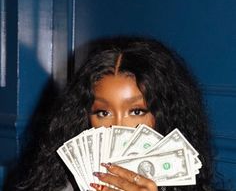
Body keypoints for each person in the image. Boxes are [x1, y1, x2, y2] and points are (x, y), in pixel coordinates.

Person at [13, 36, 213, 191]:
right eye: (102, 112)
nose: (118, 127)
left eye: (136, 111)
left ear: (164, 115)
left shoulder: (183, 178)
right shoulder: (62, 182)